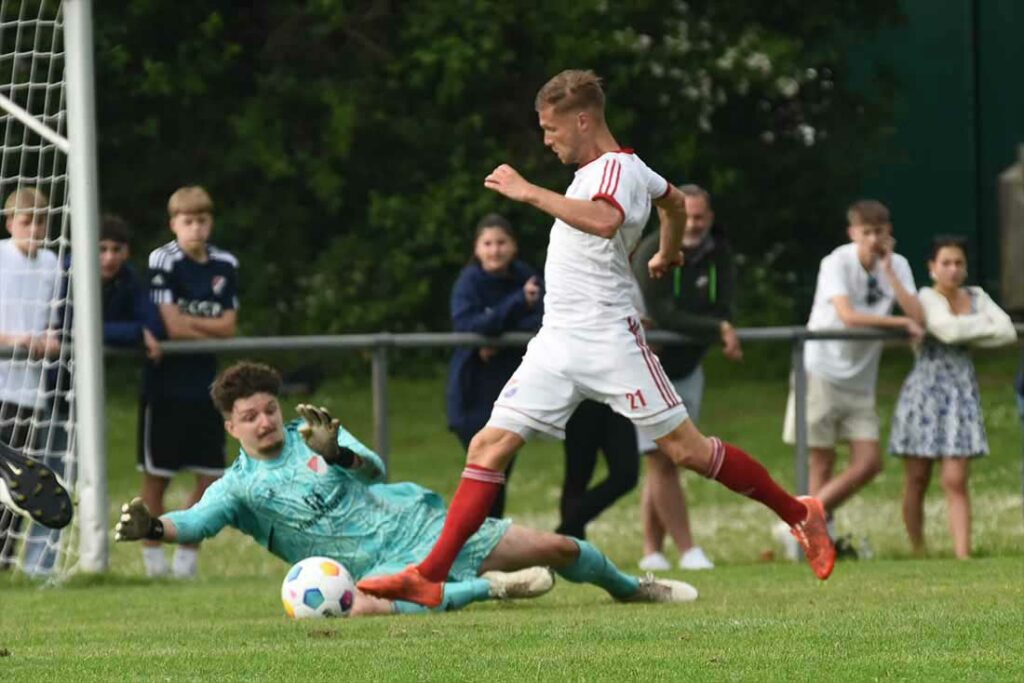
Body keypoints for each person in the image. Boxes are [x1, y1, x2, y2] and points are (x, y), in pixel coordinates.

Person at [360, 69, 834, 607]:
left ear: (582, 119)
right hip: (557, 341)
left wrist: (527, 192)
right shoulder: (619, 170)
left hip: (610, 339)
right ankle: (430, 575)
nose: (546, 139)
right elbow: (674, 201)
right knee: (487, 447)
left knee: (687, 450)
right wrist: (668, 251)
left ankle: (800, 513)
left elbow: (606, 221)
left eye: (550, 128)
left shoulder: (615, 171)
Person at [114, 361, 701, 616]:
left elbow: (375, 470)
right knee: (355, 606)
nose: (265, 422)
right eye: (250, 416)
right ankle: (485, 590)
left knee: (561, 549)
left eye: (269, 409)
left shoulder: (311, 434)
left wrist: (337, 451)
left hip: (421, 528)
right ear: (230, 425)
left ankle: (630, 588)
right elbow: (196, 522)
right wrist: (155, 528)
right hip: (369, 571)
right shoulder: (237, 488)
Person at [782, 199, 925, 556]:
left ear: (889, 232)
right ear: (853, 233)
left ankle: (801, 518)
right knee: (822, 460)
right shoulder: (836, 262)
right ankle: (816, 543)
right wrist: (899, 324)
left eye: (880, 231)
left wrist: (890, 272)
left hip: (861, 378)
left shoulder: (899, 265)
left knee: (869, 462)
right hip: (821, 369)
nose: (874, 239)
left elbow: (918, 314)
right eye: (867, 232)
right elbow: (847, 315)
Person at [632, 184, 741, 572]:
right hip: (646, 367)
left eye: (700, 217)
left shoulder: (718, 253)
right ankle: (688, 550)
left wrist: (717, 324)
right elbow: (662, 312)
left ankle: (651, 551)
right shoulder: (650, 251)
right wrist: (716, 328)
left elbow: (725, 304)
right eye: (687, 216)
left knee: (665, 461)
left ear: (709, 218)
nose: (693, 224)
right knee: (662, 460)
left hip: (688, 367)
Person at [888, 236, 1017, 559]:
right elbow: (947, 331)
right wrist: (980, 325)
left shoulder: (977, 296)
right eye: (946, 263)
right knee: (917, 478)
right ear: (932, 267)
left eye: (959, 263)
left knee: (956, 478)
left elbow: (1006, 330)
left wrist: (969, 325)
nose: (953, 270)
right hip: (924, 394)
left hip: (961, 395)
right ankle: (918, 549)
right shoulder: (926, 298)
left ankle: (963, 554)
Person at [140, 185, 239, 579]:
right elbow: (171, 326)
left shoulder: (225, 263)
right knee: (157, 475)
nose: (195, 228)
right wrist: (200, 328)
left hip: (207, 385)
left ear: (210, 222)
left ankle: (186, 558)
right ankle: (152, 560)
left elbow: (229, 328)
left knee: (210, 475)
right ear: (173, 224)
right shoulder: (163, 259)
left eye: (202, 220)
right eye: (187, 221)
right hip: (165, 385)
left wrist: (189, 326)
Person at [447, 213, 543, 518]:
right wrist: (516, 305)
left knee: (498, 476)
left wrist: (495, 332)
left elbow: (542, 320)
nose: (495, 250)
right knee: (482, 474)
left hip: (512, 390)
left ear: (513, 246)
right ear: (477, 249)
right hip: (472, 392)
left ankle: (488, 544)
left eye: (501, 243)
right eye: (487, 244)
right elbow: (468, 324)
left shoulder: (526, 276)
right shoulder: (470, 282)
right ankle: (470, 540)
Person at [0, 187, 61, 570]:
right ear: (10, 223)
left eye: (41, 220)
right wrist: (14, 340)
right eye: (27, 221)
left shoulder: (53, 263)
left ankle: (5, 561)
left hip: (29, 391)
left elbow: (52, 323)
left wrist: (49, 340)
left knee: (20, 483)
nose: (34, 228)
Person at [556, 399, 638, 540]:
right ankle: (571, 548)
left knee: (626, 475)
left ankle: (565, 532)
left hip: (615, 398)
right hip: (581, 399)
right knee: (577, 479)